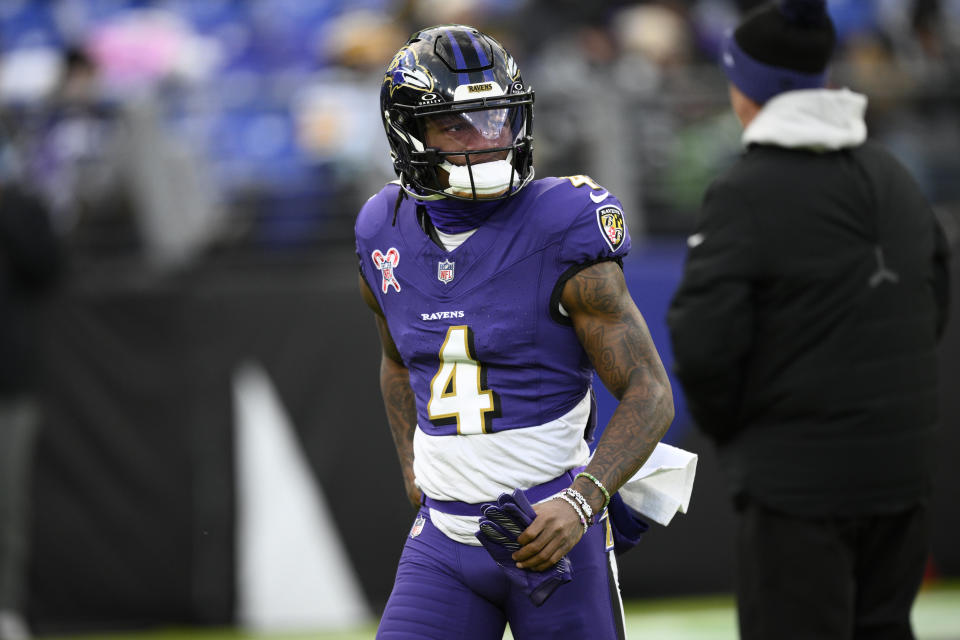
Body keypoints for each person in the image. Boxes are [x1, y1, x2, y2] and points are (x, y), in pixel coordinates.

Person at [355, 25, 674, 639]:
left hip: (550, 529)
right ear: (408, 133)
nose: (488, 141)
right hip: (442, 543)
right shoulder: (381, 228)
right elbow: (397, 361)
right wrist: (412, 470)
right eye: (457, 125)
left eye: (497, 117)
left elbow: (649, 389)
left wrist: (582, 502)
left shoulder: (562, 224)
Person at [666, 1, 951, 639]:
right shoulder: (895, 174)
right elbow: (933, 302)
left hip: (795, 486)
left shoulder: (745, 191)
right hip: (901, 473)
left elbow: (703, 342)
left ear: (748, 89)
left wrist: (745, 439)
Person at [0, 153, 63, 639]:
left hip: (10, 382)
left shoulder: (16, 204)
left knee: (7, 507)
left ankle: (6, 611)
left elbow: (48, 264)